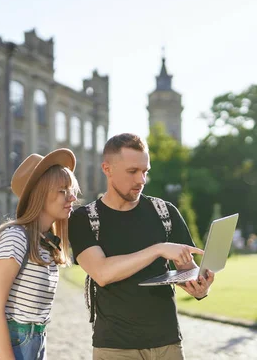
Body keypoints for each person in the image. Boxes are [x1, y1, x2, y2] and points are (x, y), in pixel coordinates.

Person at [69, 133, 212, 360]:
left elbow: (187, 269)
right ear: (107, 169)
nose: (141, 180)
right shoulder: (83, 219)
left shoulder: (165, 212)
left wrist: (199, 285)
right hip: (115, 347)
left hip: (168, 344)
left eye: (145, 171)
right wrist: (158, 249)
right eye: (132, 171)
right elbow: (103, 273)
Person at [0, 149, 79, 360]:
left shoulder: (46, 245)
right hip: (0, 347)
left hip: (33, 343)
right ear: (39, 195)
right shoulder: (15, 237)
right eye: (62, 190)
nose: (72, 197)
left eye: (71, 189)